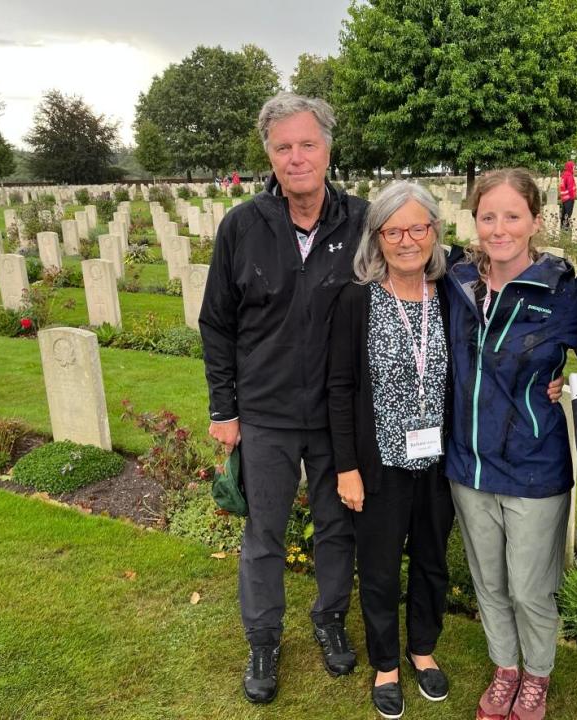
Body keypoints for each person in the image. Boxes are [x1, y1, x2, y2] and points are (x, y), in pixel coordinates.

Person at [198, 92, 368, 704]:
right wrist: (225, 408)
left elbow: (412, 271)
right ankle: (264, 637)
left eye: (307, 144)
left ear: (328, 148)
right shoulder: (243, 227)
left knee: (336, 529)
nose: (296, 157)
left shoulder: (362, 223)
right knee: (264, 533)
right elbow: (217, 322)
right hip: (265, 414)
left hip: (336, 414)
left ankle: (328, 619)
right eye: (282, 147)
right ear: (268, 155)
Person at [446, 169, 577, 720]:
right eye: (488, 216)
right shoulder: (456, 282)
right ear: (474, 219)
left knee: (531, 589)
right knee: (490, 582)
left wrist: (569, 389)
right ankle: (506, 669)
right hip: (468, 465)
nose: (498, 228)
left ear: (535, 220)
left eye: (511, 216)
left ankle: (537, 676)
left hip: (534, 467)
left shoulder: (563, 292)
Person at [328, 181, 455, 719]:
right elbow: (339, 388)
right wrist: (347, 468)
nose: (407, 240)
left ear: (434, 232)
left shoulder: (450, 294)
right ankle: (386, 664)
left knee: (431, 560)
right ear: (377, 238)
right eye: (394, 230)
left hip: (439, 463)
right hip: (379, 463)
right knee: (379, 567)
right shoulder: (357, 300)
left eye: (418, 227)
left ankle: (421, 648)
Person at [558, 160, 577, 229]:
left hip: (564, 198)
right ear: (570, 167)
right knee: (568, 214)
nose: (574, 169)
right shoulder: (569, 176)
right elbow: (570, 187)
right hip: (569, 198)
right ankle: (566, 228)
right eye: (573, 167)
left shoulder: (563, 175)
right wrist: (572, 197)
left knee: (564, 213)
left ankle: (562, 227)